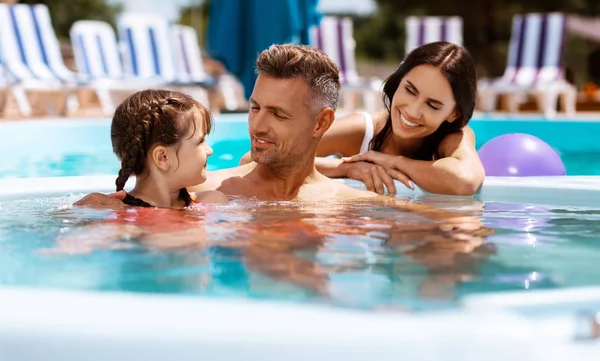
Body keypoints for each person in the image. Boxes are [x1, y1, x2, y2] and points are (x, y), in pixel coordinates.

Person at [75, 44, 484, 230]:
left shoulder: (356, 206)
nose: (257, 126)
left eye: (278, 114)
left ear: (321, 123)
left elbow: (460, 226)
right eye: (255, 107)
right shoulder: (205, 192)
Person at [308, 41, 484, 196]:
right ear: (399, 81)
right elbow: (283, 157)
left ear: (454, 114)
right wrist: (346, 168)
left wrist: (395, 162)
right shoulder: (363, 130)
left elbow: (466, 181)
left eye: (433, 105)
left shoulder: (452, 139)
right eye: (410, 91)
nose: (413, 112)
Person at [109, 89, 228, 208]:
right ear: (163, 157)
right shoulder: (121, 216)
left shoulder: (213, 201)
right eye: (200, 141)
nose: (209, 151)